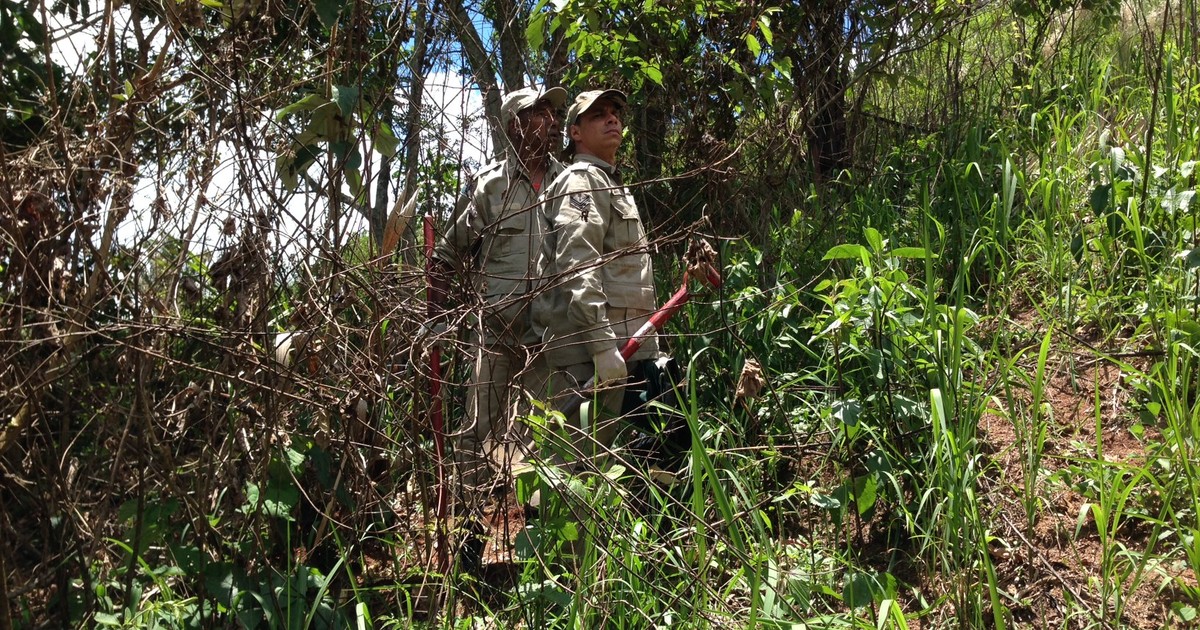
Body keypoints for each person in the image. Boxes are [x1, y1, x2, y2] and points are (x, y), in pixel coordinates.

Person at [431, 85, 567, 510]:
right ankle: (467, 530)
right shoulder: (490, 188)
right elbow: (447, 255)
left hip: (546, 339)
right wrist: (437, 318)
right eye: (541, 112)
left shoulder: (570, 182)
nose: (554, 120)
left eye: (554, 112)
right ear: (516, 125)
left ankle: (535, 533)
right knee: (476, 430)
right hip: (493, 334)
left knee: (541, 434)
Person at [535, 89, 659, 470]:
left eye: (616, 113)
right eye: (598, 115)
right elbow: (578, 262)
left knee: (610, 468)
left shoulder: (608, 182)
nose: (612, 120)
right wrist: (602, 346)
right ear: (575, 132)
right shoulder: (582, 181)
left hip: (627, 348)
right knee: (575, 468)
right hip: (593, 355)